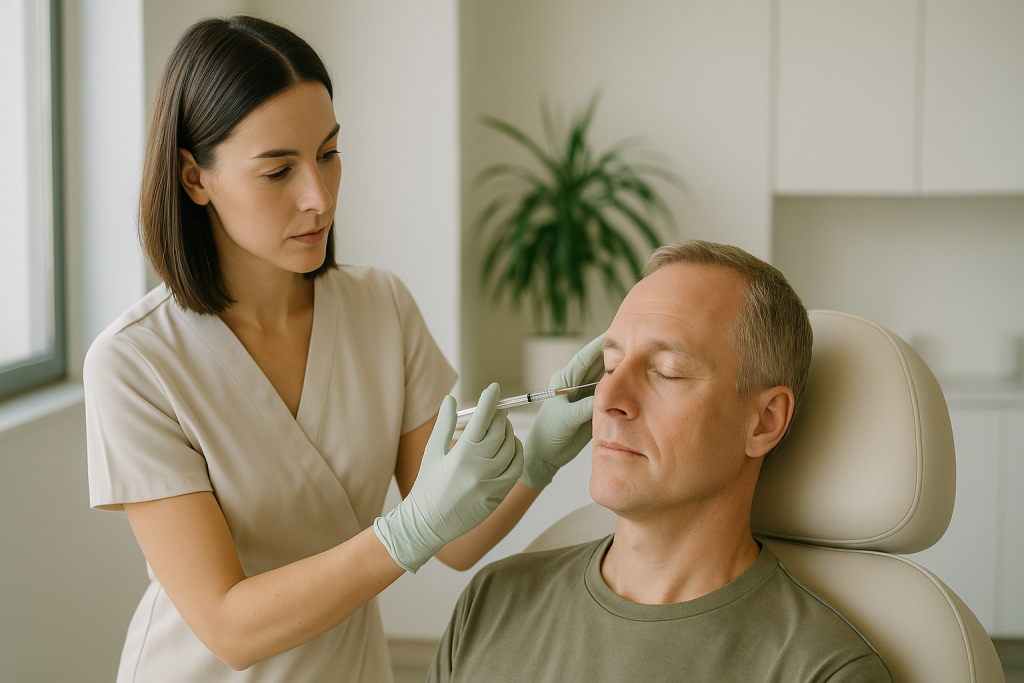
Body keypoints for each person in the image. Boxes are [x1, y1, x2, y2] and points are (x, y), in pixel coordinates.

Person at [83, 16, 601, 683]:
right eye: (278, 171)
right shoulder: (134, 363)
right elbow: (229, 627)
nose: (318, 197)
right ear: (194, 179)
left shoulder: (381, 307)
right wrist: (406, 531)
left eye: (328, 154)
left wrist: (539, 457)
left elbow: (455, 539)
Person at [428, 240, 895, 682]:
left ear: (764, 422)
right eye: (610, 366)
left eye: (667, 372)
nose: (606, 397)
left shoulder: (821, 670)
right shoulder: (491, 604)